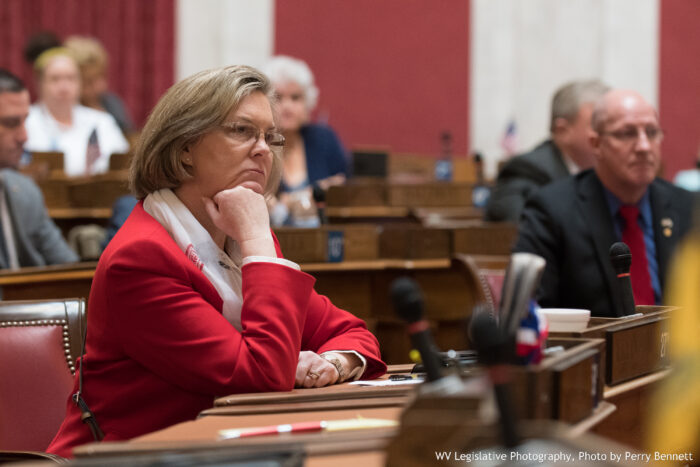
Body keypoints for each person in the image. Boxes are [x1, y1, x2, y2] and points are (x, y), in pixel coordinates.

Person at [47, 65, 385, 457]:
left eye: (269, 136)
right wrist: (258, 239)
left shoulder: (240, 238)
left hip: (216, 453)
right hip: (128, 461)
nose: (264, 149)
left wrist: (333, 362)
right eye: (241, 131)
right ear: (184, 148)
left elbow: (352, 332)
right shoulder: (140, 258)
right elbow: (261, 376)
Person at [513, 89, 695, 317]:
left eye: (651, 132)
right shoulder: (552, 211)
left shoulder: (687, 207)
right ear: (596, 143)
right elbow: (532, 312)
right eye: (626, 134)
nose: (644, 146)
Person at [485, 80, 610, 222]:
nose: (612, 134)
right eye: (598, 125)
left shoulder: (610, 173)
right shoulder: (526, 171)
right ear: (563, 131)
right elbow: (520, 234)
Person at [0, 69, 78, 269]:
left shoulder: (26, 191)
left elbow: (69, 270)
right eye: (10, 123)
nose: (24, 136)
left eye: (25, 120)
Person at [264, 56, 349, 227]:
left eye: (295, 98)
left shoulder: (323, 138)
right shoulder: (257, 144)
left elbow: (346, 181)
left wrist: (295, 199)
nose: (287, 106)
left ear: (307, 102)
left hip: (320, 237)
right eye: (278, 98)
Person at [24, 48, 129, 177]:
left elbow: (123, 164)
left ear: (80, 83)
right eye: (55, 79)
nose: (64, 87)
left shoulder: (101, 121)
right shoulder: (26, 120)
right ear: (39, 84)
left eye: (70, 78)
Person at [64, 36, 135, 135]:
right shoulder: (63, 114)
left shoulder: (112, 104)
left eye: (103, 76)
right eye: (89, 82)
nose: (100, 86)